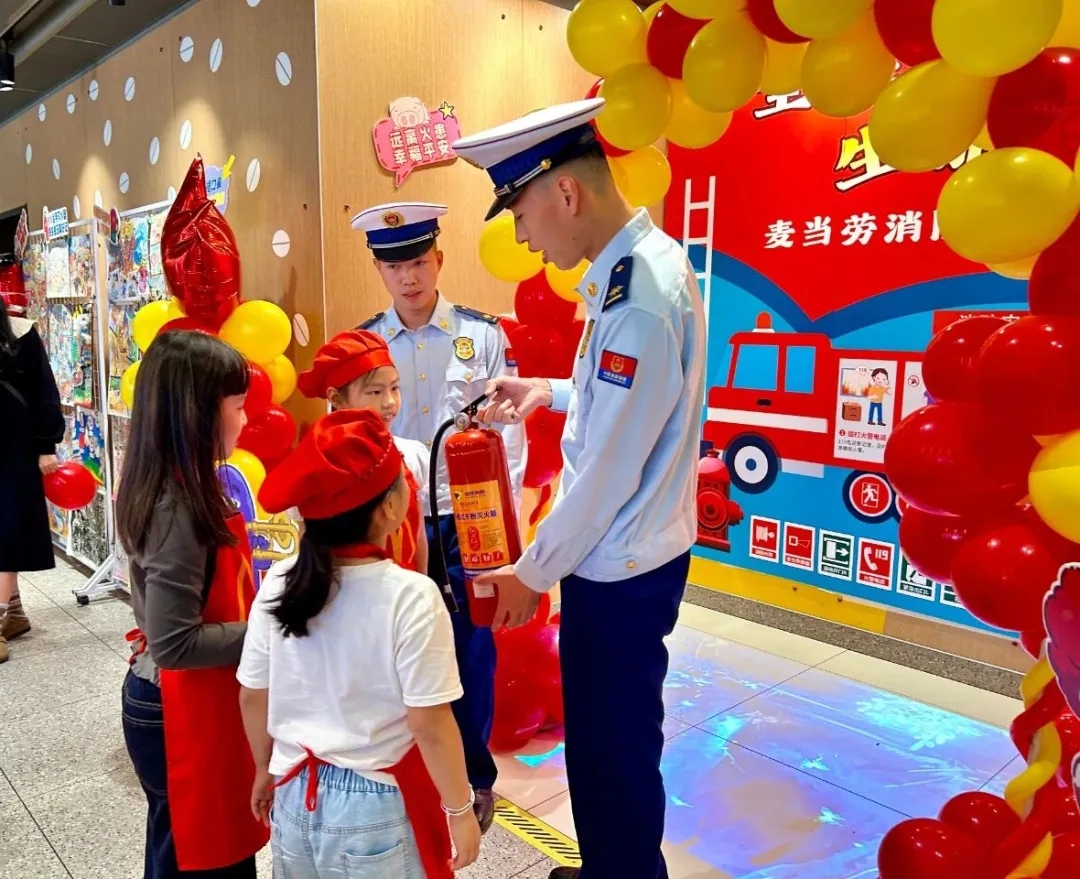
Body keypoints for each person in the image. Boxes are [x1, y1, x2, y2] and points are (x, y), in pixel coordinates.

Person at [452, 98, 706, 879]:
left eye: (520, 214)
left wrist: (530, 573)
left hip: (622, 565)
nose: (524, 238)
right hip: (626, 553)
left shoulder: (640, 298)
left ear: (566, 192)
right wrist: (548, 391)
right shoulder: (636, 273)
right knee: (602, 739)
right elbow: (623, 405)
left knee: (615, 747)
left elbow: (606, 475)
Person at [237, 408, 481, 878]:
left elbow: (252, 693)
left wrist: (264, 768)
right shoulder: (411, 595)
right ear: (388, 508)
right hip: (376, 803)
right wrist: (460, 808)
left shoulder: (280, 582)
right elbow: (430, 723)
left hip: (293, 790)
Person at [352, 201, 527, 829]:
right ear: (379, 269)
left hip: (467, 518)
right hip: (395, 518)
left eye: (419, 262)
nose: (409, 277)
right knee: (396, 644)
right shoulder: (366, 344)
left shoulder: (483, 335)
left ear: (439, 260)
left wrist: (505, 527)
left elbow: (510, 436)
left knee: (472, 646)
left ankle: (475, 777)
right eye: (394, 266)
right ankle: (411, 769)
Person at [116, 330, 269, 878]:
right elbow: (174, 643)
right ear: (198, 413)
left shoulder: (188, 483)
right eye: (238, 406)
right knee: (194, 854)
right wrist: (271, 629)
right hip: (176, 708)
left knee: (204, 849)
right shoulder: (176, 506)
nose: (246, 420)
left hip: (203, 697)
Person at [294, 328, 429, 573]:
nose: (389, 402)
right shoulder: (318, 463)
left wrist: (421, 586)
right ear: (336, 398)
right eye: (375, 392)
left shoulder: (412, 454)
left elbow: (418, 537)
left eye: (395, 388)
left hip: (403, 590)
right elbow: (306, 543)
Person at [0, 295, 63, 665]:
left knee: (7, 533)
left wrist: (46, 445)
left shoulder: (21, 333)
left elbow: (43, 390)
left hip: (14, 450)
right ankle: (15, 612)